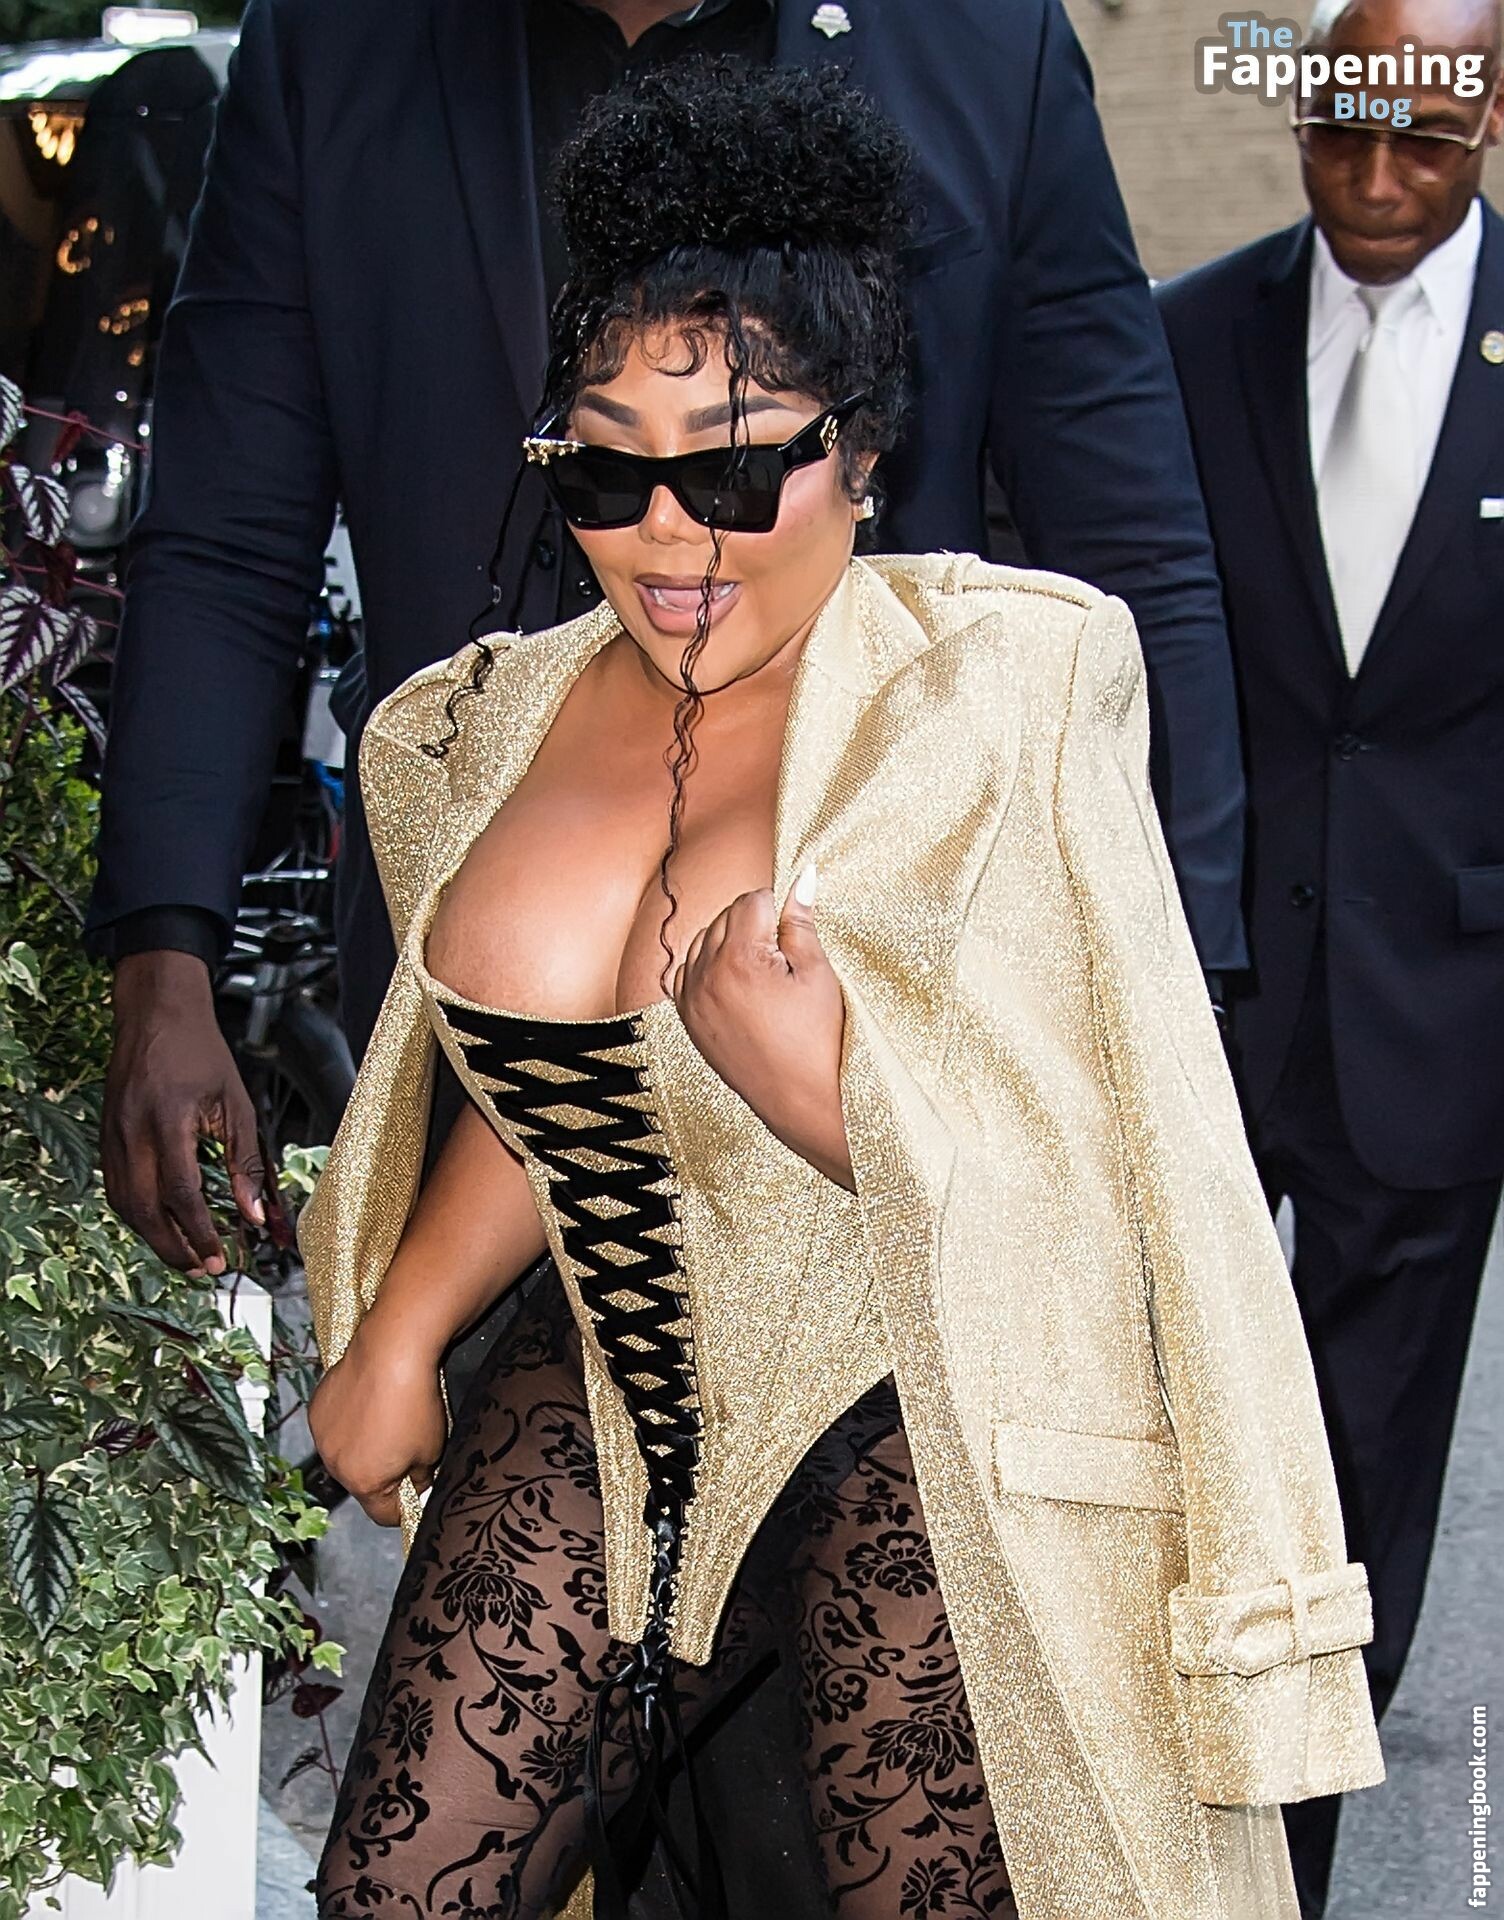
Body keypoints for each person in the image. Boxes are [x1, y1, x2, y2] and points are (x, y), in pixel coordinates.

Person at [302, 60, 1382, 1920]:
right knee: (399, 1896)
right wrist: (402, 1328)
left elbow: (1150, 1186)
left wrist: (830, 1095)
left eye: (733, 463)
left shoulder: (1001, 691)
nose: (669, 532)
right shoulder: (467, 733)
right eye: (607, 465)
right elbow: (558, 1100)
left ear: (861, 450)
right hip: (610, 1391)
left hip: (915, 1410)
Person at [86, 0, 1248, 1301]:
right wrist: (164, 960)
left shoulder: (986, 41)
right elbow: (226, 535)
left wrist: (1175, 1011)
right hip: (484, 996)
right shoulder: (334, 41)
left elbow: (1133, 550)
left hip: (875, 1016)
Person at [1154, 0, 1504, 1911]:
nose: (1374, 180)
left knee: (1362, 1483)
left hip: (1442, 1016)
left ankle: (1283, 1872)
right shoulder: (1182, 335)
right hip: (1199, 990)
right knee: (1153, 1442)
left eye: (1422, 141)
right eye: (1340, 131)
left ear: (1492, 117)